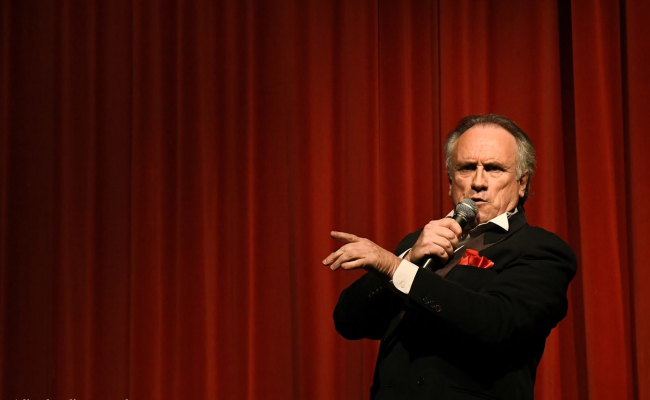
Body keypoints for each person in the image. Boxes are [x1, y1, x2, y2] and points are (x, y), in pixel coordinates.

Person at [323, 114, 576, 400]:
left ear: (522, 182)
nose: (478, 182)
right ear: (450, 181)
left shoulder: (541, 249)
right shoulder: (417, 244)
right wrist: (408, 260)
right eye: (466, 168)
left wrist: (396, 268)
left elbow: (497, 324)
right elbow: (348, 322)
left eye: (494, 169)